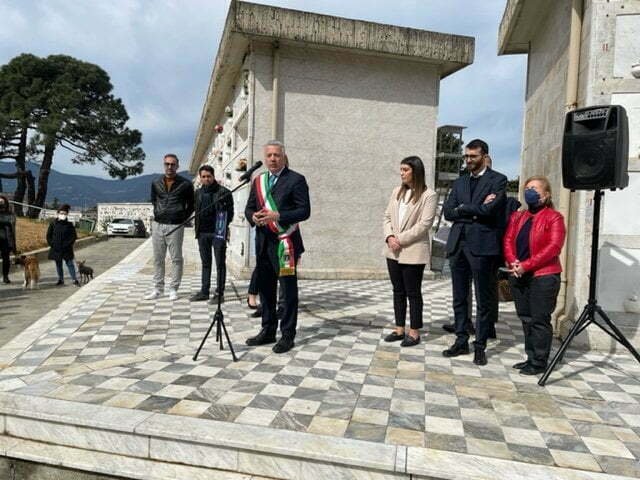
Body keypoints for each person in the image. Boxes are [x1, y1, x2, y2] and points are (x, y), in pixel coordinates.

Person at [442, 139, 507, 366]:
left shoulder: (497, 180)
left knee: (483, 298)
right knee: (459, 297)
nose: (468, 160)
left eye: (473, 156)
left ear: (484, 156)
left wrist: (464, 208)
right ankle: (461, 339)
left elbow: (490, 211)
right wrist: (473, 210)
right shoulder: (459, 183)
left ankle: (480, 345)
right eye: (466, 156)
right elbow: (448, 213)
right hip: (458, 245)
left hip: (482, 247)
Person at [244, 140, 310, 354]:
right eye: (269, 155)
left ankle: (287, 334)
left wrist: (278, 215)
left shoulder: (296, 180)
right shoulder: (259, 180)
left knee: (288, 291)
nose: (273, 159)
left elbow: (304, 211)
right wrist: (253, 216)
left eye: (277, 155)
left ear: (283, 157)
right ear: (265, 157)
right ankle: (268, 330)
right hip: (263, 242)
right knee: (266, 289)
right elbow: (249, 207)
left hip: (286, 243)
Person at [503, 176, 566, 375]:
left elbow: (553, 247)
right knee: (526, 318)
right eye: (527, 188)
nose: (530, 191)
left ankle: (539, 361)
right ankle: (530, 357)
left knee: (539, 319)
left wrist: (527, 265)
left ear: (546, 195)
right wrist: (513, 261)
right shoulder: (518, 216)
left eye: (535, 189)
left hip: (543, 276)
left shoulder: (554, 217)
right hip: (519, 274)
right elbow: (508, 239)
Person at [383, 156, 437, 347]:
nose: (402, 173)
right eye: (401, 169)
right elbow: (387, 216)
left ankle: (414, 332)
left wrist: (400, 239)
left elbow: (424, 224)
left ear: (416, 171)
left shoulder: (428, 195)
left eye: (405, 169)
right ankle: (399, 329)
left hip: (413, 251)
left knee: (413, 292)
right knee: (398, 291)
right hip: (393, 251)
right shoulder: (396, 191)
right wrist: (389, 237)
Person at [146, 154, 194, 301]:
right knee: (158, 259)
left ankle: (173, 288)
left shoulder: (186, 184)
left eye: (173, 164)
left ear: (178, 166)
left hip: (176, 224)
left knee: (176, 259)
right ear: (163, 165)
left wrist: (181, 217)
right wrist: (158, 213)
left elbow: (191, 205)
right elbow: (154, 200)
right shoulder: (155, 182)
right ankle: (157, 288)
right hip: (158, 224)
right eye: (167, 164)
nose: (170, 167)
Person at [190, 165, 234, 302]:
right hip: (202, 233)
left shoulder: (224, 192)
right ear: (200, 178)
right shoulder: (197, 193)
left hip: (218, 233)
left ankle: (219, 294)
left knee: (220, 263)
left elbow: (230, 214)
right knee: (205, 263)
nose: (206, 179)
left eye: (208, 176)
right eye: (203, 176)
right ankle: (204, 291)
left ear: (213, 176)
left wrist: (223, 226)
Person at [46, 204, 80, 287]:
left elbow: (73, 236)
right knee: (58, 264)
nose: (63, 215)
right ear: (58, 213)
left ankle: (74, 279)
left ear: (67, 214)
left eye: (65, 214)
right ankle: (60, 279)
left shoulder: (69, 225)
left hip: (67, 248)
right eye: (61, 213)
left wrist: (68, 244)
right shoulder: (53, 224)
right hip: (56, 248)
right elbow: (48, 235)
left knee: (70, 264)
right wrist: (52, 244)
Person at [0, 196, 16, 284]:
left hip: (6, 239)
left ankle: (5, 276)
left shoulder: (10, 214)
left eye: (2, 202)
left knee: (6, 259)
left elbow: (12, 225)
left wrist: (13, 244)